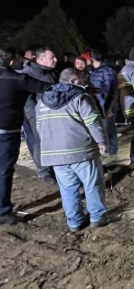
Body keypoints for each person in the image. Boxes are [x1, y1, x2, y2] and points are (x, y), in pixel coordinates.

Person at [36, 69, 109, 231]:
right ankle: (98, 217)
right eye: (83, 79)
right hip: (81, 151)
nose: (86, 83)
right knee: (92, 185)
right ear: (74, 80)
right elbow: (93, 122)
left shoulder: (42, 101)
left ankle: (75, 222)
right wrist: (101, 141)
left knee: (68, 189)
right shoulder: (81, 97)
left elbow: (38, 128)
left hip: (55, 155)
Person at [1, 48, 51, 224]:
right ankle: (3, 211)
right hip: (7, 131)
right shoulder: (18, 79)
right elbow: (46, 88)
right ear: (12, 63)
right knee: (4, 171)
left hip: (8, 131)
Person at [22, 47, 59, 184]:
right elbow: (27, 100)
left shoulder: (50, 72)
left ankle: (55, 166)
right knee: (40, 142)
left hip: (53, 112)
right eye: (52, 57)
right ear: (41, 59)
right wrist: (34, 116)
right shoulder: (29, 74)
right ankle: (44, 171)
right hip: (38, 114)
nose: (56, 60)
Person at [89, 49, 119, 165]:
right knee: (101, 129)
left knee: (110, 129)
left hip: (106, 105)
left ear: (92, 58)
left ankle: (113, 153)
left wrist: (109, 106)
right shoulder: (94, 70)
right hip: (97, 105)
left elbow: (112, 89)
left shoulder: (108, 70)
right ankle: (104, 151)